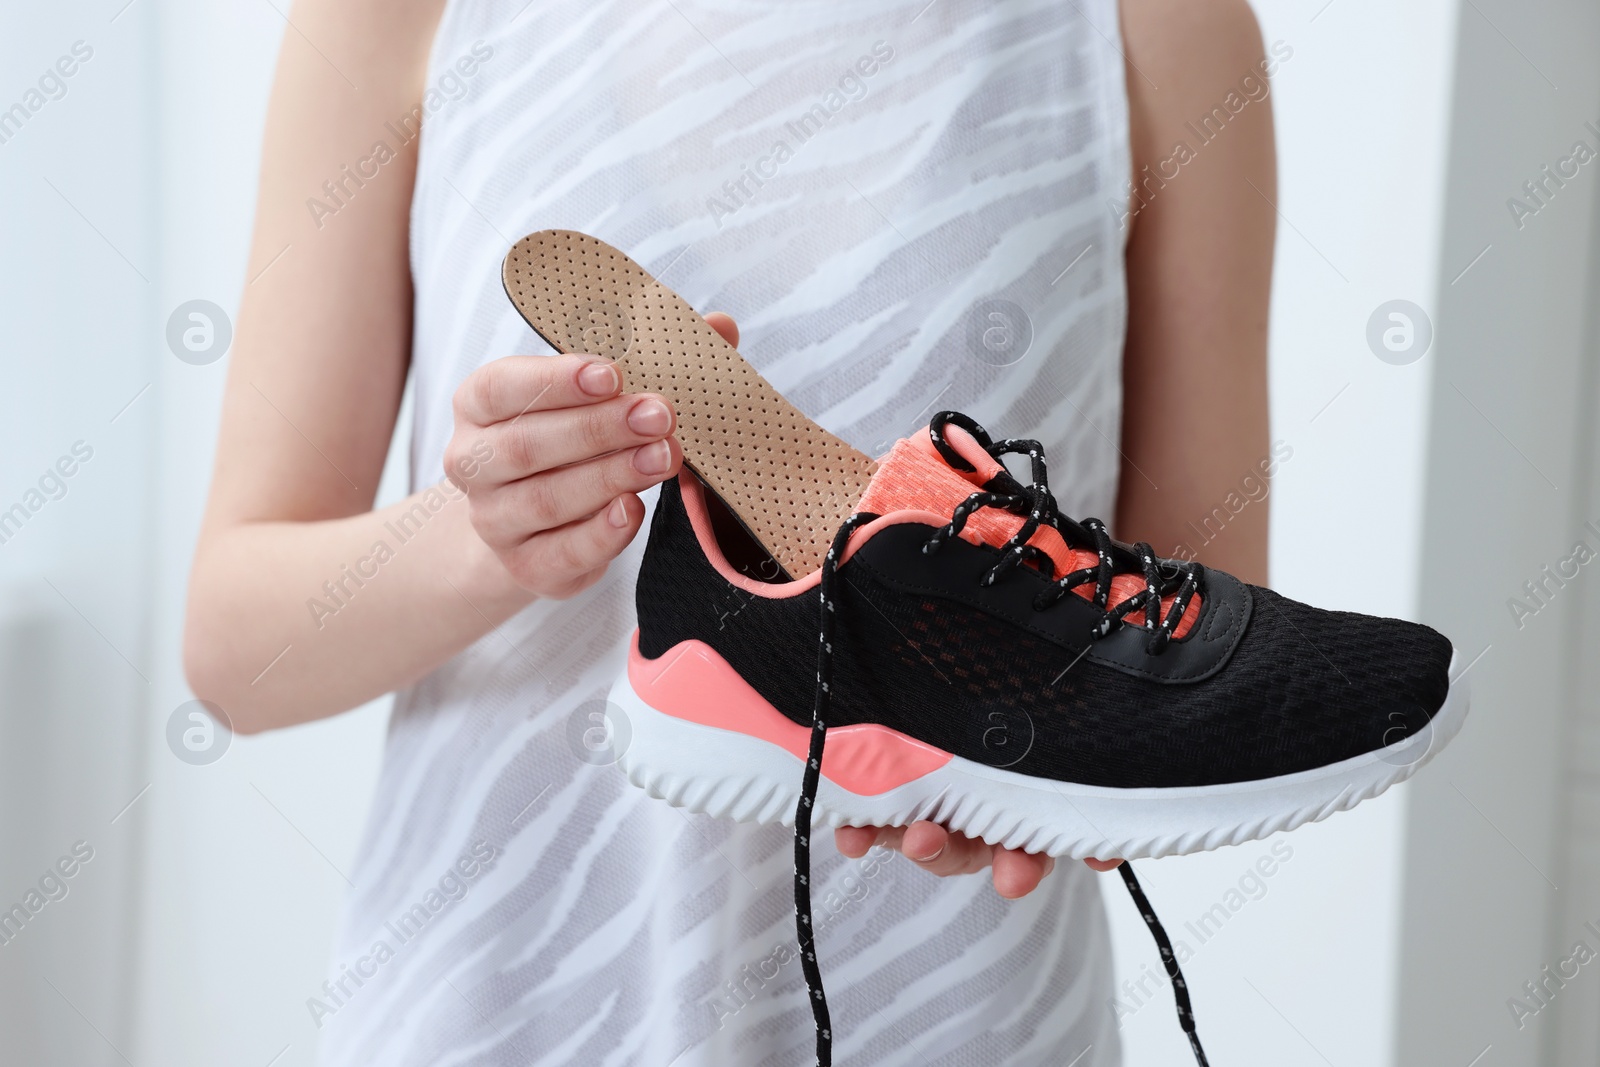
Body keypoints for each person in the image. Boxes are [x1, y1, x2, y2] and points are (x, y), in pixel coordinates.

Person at [184, 0, 1273, 1061]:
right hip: (499, 1006)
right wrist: (479, 539)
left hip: (962, 1014)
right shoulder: (393, 15)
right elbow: (235, 650)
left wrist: (1041, 759)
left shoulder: (1157, 26)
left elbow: (1205, 648)